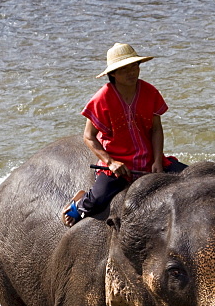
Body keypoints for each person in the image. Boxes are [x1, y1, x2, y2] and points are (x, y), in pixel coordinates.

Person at [61, 43, 186, 227]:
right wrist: (111, 163)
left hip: (148, 160)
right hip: (118, 166)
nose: (132, 72)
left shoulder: (150, 92)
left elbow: (156, 129)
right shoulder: (102, 98)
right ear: (113, 74)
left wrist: (158, 160)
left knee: (191, 177)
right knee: (97, 201)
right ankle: (79, 202)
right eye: (124, 69)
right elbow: (88, 136)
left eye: (134, 66)